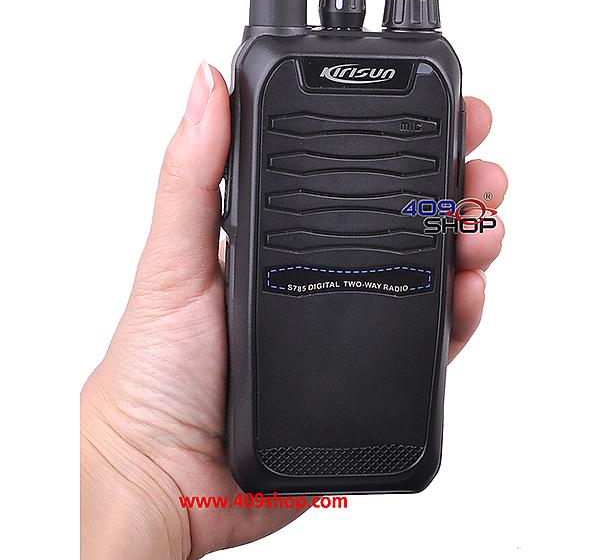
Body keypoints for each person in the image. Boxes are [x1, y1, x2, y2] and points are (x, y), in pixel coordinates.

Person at [81, 62, 508, 559]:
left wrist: (134, 473)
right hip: (301, 443)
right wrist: (137, 472)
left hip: (297, 430)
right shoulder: (295, 66)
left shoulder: (277, 67)